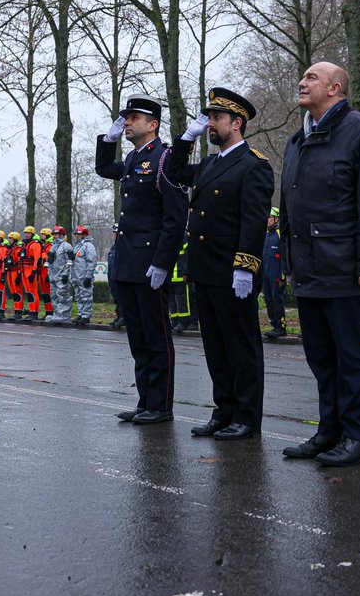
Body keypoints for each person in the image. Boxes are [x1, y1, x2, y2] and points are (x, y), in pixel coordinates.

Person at [280, 62, 360, 467]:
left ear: (335, 88)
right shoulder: (296, 141)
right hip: (310, 272)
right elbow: (290, 209)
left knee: (352, 359)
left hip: (348, 270)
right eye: (303, 77)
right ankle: (329, 431)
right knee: (321, 358)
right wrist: (289, 262)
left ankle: (358, 438)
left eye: (311, 78)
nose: (302, 82)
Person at [167, 88, 275, 440]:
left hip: (233, 272)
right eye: (208, 118)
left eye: (216, 118)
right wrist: (187, 137)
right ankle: (224, 410)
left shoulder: (254, 164)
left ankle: (246, 416)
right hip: (205, 270)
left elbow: (253, 220)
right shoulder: (212, 164)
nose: (210, 124)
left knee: (241, 348)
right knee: (215, 348)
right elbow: (174, 170)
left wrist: (246, 266)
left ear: (237, 122)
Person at [96, 96, 188, 425]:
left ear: (153, 125)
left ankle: (161, 405)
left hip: (150, 262)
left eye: (134, 117)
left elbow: (175, 219)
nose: (128, 122)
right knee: (137, 337)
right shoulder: (135, 158)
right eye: (126, 118)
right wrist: (108, 140)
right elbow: (104, 168)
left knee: (156, 335)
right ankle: (145, 401)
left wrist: (163, 262)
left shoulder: (165, 160)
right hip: (128, 261)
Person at [261, 209, 286, 339]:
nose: (268, 220)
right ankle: (274, 324)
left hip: (276, 274)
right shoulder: (266, 234)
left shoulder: (279, 234)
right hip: (265, 273)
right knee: (268, 299)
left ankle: (281, 326)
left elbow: (284, 256)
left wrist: (283, 275)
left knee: (277, 299)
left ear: (277, 219)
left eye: (270, 217)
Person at [44, 226, 74, 325]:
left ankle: (65, 316)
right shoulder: (53, 247)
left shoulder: (67, 246)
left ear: (61, 235)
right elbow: (50, 262)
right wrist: (49, 274)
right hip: (54, 275)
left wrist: (66, 274)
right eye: (54, 234)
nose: (55, 236)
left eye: (56, 234)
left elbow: (70, 261)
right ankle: (57, 314)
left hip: (62, 275)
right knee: (54, 295)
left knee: (63, 295)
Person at [72, 225, 96, 326]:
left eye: (79, 234)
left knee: (86, 296)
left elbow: (92, 261)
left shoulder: (88, 246)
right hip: (77, 276)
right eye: (76, 234)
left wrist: (88, 276)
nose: (77, 236)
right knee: (78, 295)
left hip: (84, 276)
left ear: (84, 235)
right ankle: (81, 313)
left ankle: (86, 316)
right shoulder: (77, 246)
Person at [20, 226, 42, 323]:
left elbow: (37, 259)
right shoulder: (25, 244)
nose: (26, 234)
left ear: (32, 234)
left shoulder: (35, 244)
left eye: (28, 233)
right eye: (25, 233)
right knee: (28, 292)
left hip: (30, 270)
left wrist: (34, 272)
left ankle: (34, 312)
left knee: (33, 292)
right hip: (24, 270)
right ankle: (31, 311)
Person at [106, 224, 124, 330]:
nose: (114, 235)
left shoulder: (122, 247)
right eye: (113, 233)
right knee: (116, 298)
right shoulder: (113, 248)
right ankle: (119, 316)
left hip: (119, 277)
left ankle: (123, 317)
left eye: (116, 233)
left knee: (122, 298)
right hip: (112, 277)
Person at [5, 231, 24, 322]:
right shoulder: (10, 249)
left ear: (15, 239)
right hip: (10, 272)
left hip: (15, 271)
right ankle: (16, 311)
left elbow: (20, 262)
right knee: (13, 293)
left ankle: (19, 311)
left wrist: (19, 274)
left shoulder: (18, 249)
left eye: (11, 239)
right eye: (9, 238)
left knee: (18, 292)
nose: (9, 240)